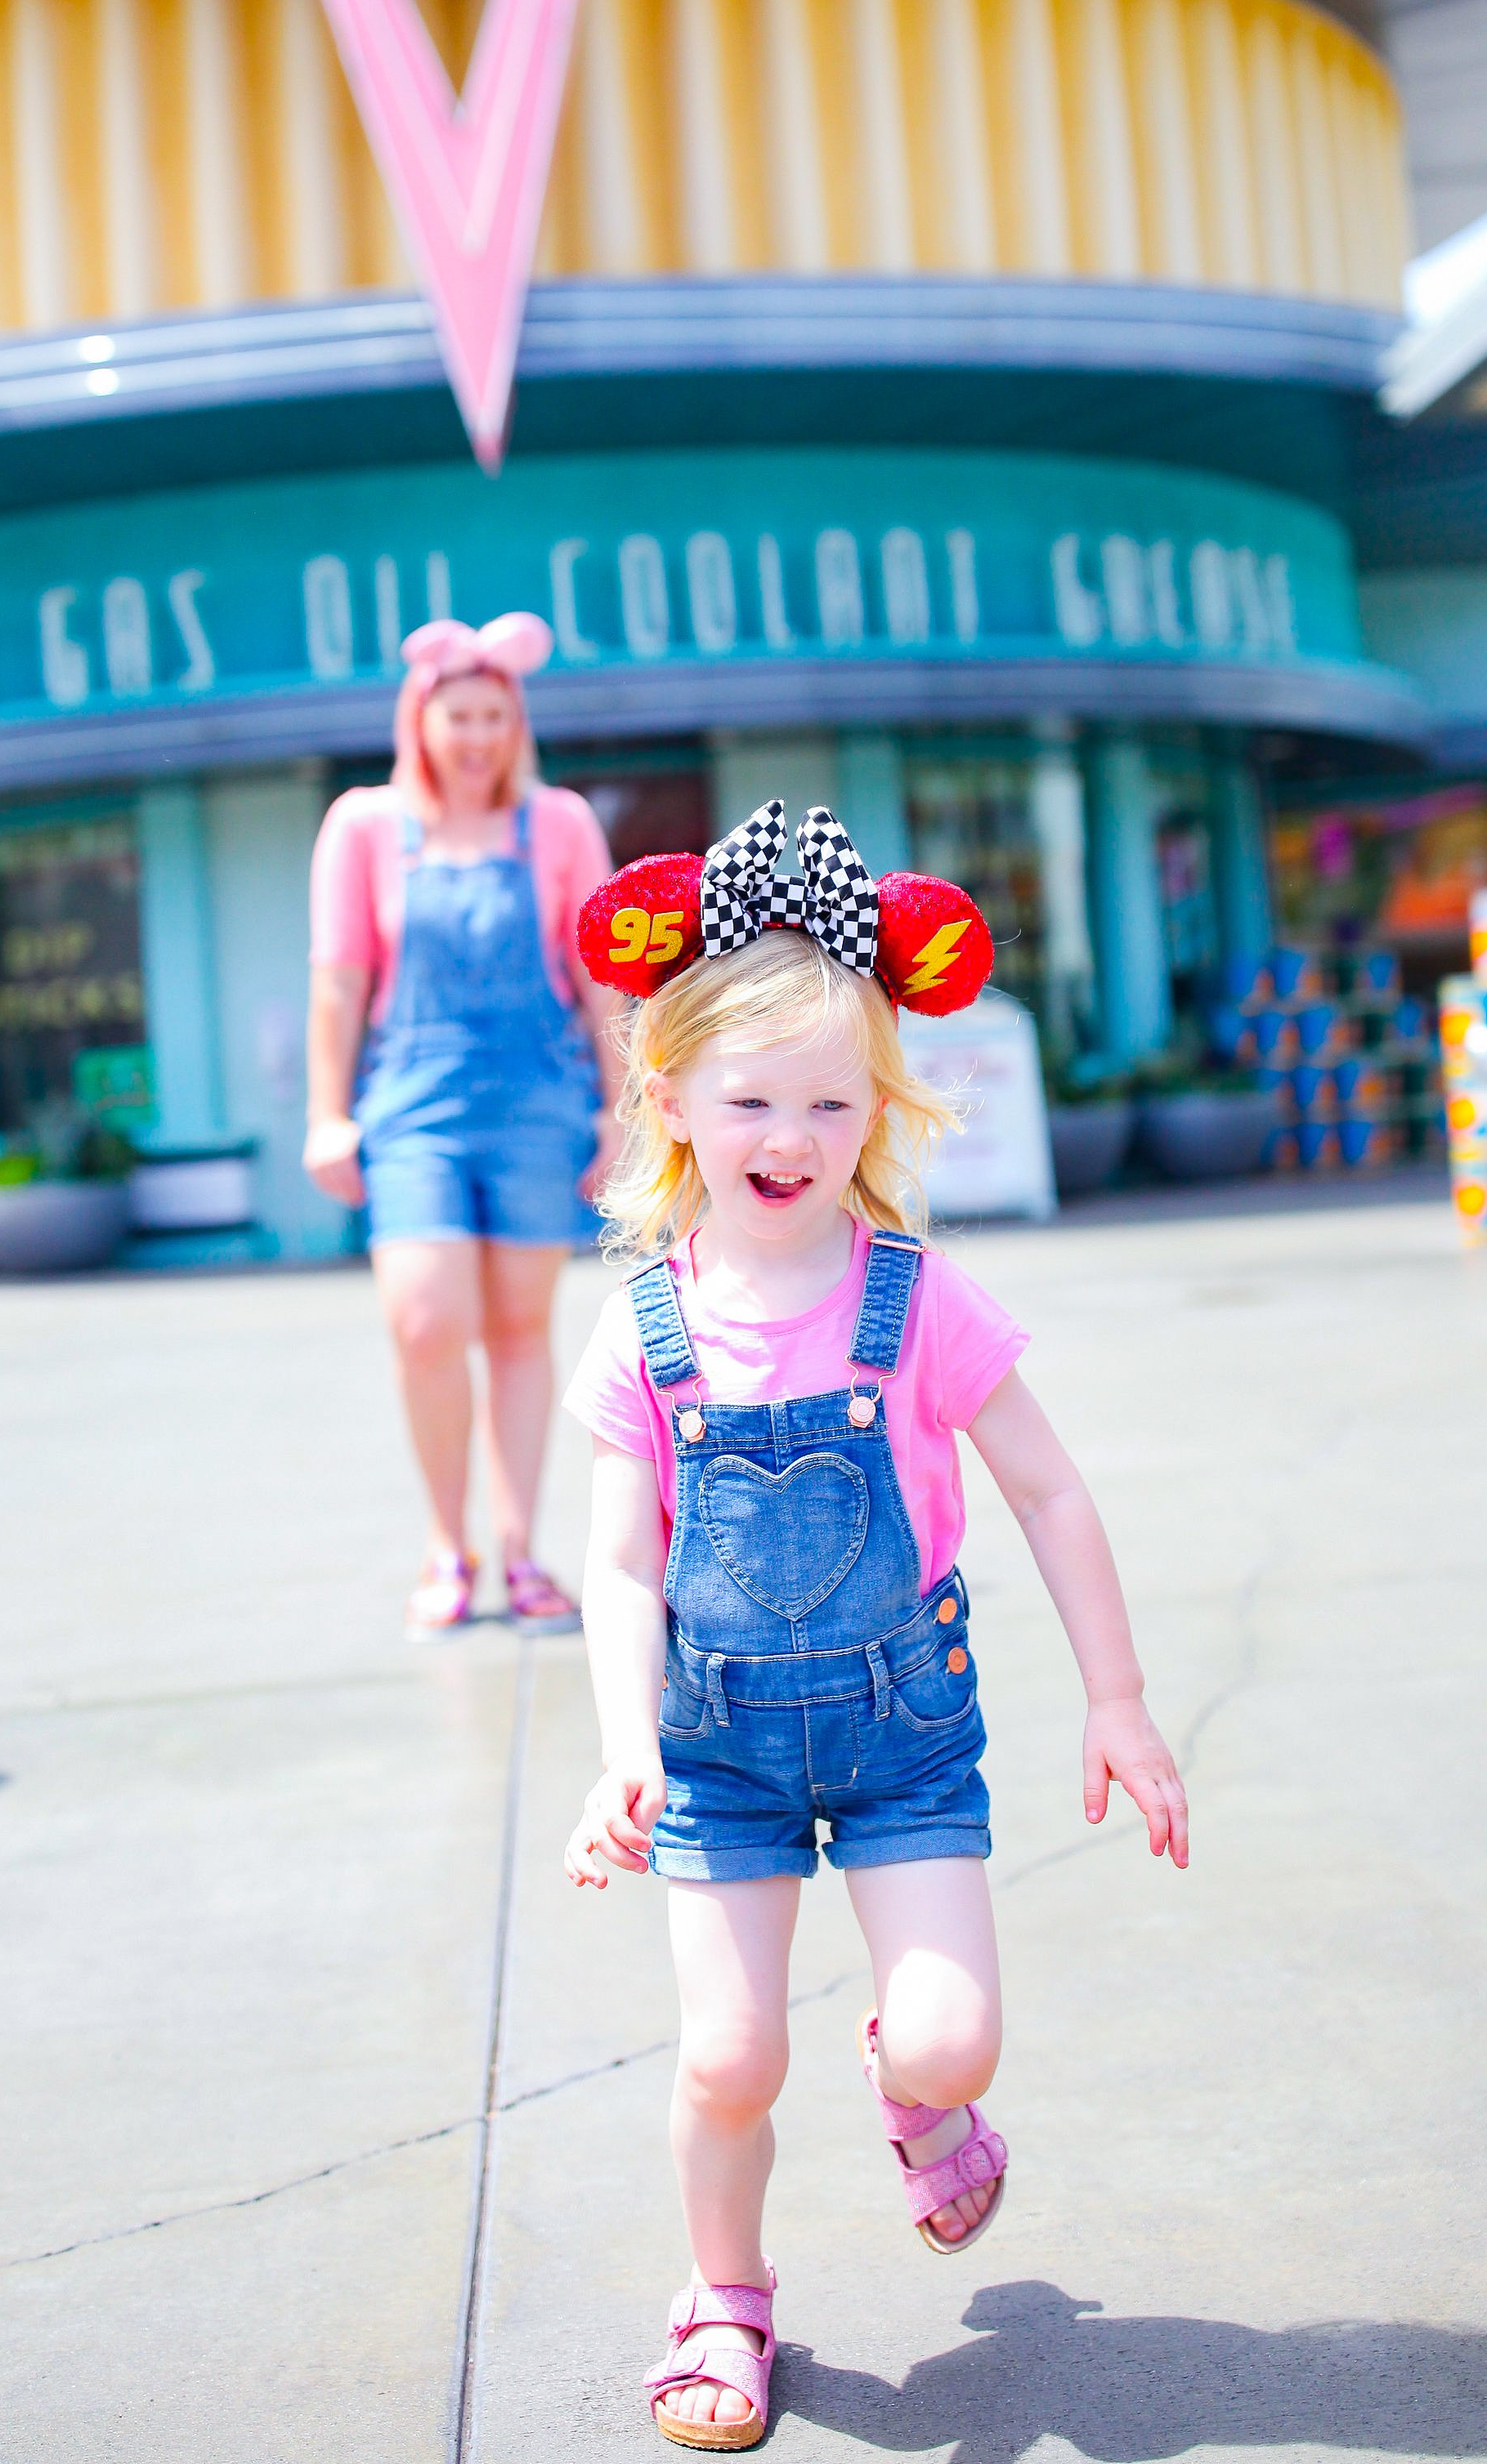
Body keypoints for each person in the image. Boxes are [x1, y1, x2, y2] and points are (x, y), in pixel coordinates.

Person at [558, 802, 1189, 2451]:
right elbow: (620, 1567)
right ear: (672, 1094)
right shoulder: (643, 1329)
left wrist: (1116, 1701)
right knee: (727, 2062)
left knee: (955, 2033)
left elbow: (1052, 1491)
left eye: (833, 1099)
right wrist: (624, 1750)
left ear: (880, 1103)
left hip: (906, 1732)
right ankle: (726, 2295)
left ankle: (918, 2094)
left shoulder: (916, 1296)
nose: (792, 1131)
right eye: (752, 1097)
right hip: (714, 1753)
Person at [303, 612, 620, 1639]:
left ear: (515, 723)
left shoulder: (561, 823)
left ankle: (522, 1554)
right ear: (421, 719)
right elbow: (339, 983)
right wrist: (326, 1114)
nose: (478, 736)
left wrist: (620, 1109)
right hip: (411, 1105)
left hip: (538, 1100)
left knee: (524, 1330)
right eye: (459, 715)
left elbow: (599, 979)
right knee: (426, 1320)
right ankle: (451, 1547)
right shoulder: (364, 825)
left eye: (495, 715)